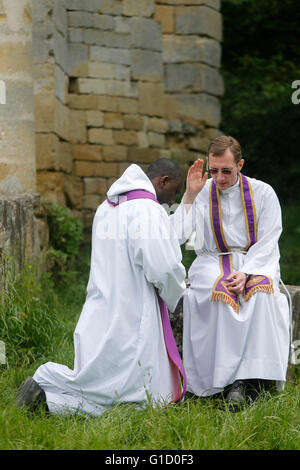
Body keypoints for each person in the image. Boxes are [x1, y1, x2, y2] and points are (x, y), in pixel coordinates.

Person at [17, 159, 187, 416]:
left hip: (100, 310)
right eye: (174, 192)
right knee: (134, 400)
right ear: (163, 181)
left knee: (102, 382)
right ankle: (47, 401)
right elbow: (163, 268)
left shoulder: (106, 208)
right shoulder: (148, 210)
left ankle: (45, 384)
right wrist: (178, 292)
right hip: (133, 314)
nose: (172, 201)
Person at [172, 135, 290, 405]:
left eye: (226, 170)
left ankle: (250, 379)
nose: (220, 177)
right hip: (212, 260)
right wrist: (190, 194)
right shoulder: (202, 191)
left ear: (240, 164)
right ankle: (222, 381)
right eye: (214, 170)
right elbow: (177, 235)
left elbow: (270, 238)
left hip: (255, 259)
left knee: (259, 293)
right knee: (219, 291)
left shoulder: (263, 192)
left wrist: (248, 272)